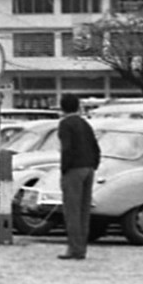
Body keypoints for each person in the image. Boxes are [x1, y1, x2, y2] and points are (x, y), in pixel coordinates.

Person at [57, 92, 100, 260]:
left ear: (62, 107)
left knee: (72, 211)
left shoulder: (65, 124)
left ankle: (74, 248)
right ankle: (82, 247)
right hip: (88, 167)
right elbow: (95, 146)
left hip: (74, 168)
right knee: (84, 210)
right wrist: (94, 164)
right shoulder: (85, 124)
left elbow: (66, 148)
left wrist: (64, 169)